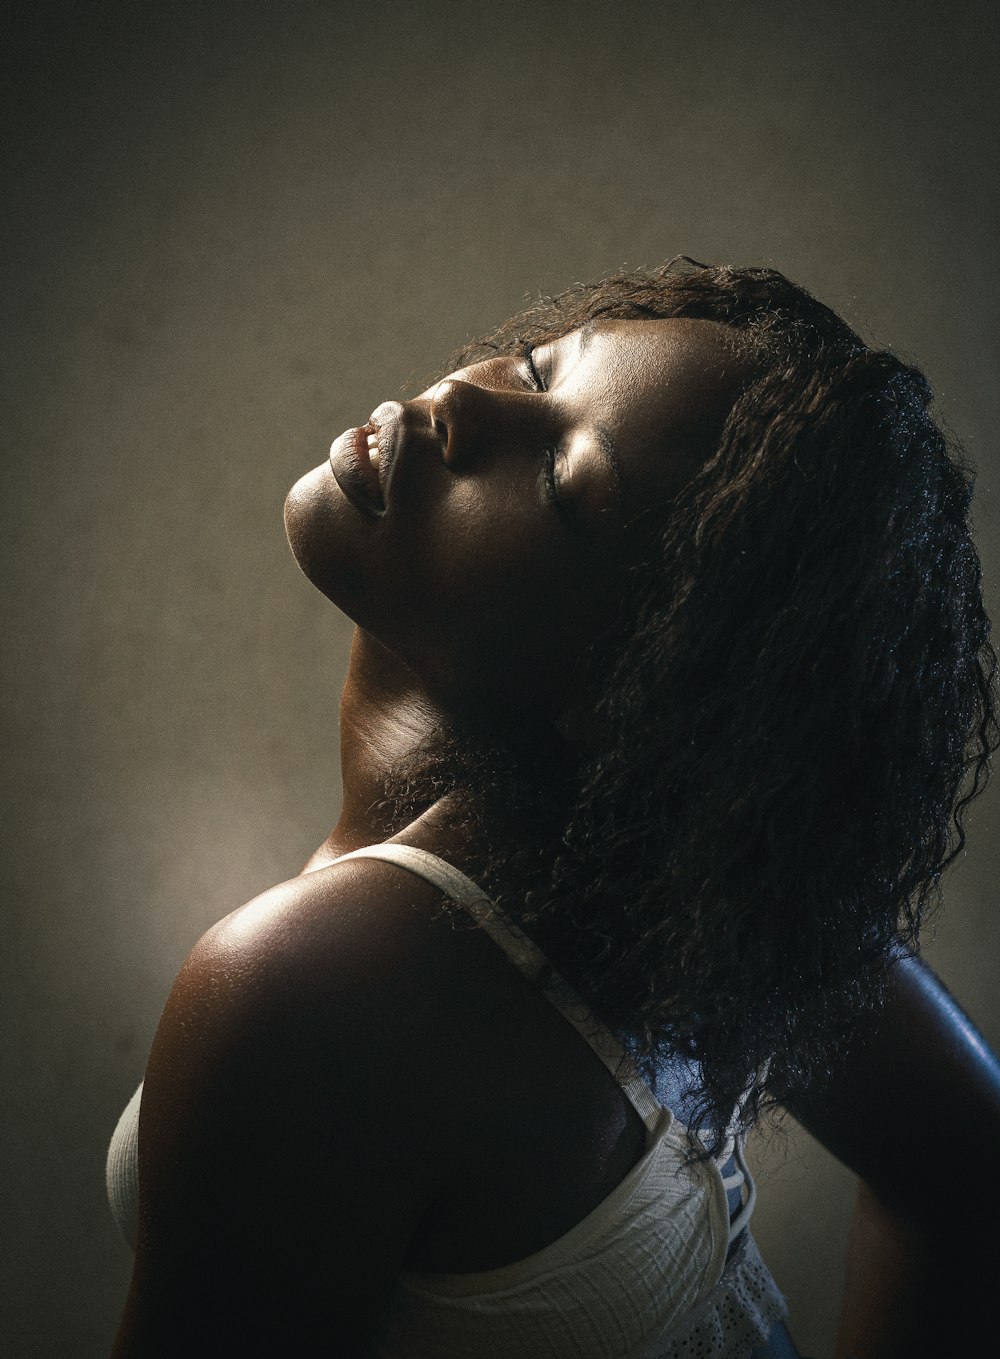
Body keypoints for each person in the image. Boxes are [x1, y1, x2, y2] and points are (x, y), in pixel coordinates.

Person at [107, 259, 1000, 1358]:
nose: (463, 403)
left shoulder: (325, 992)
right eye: (538, 367)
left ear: (636, 682)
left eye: (563, 481)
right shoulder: (704, 887)